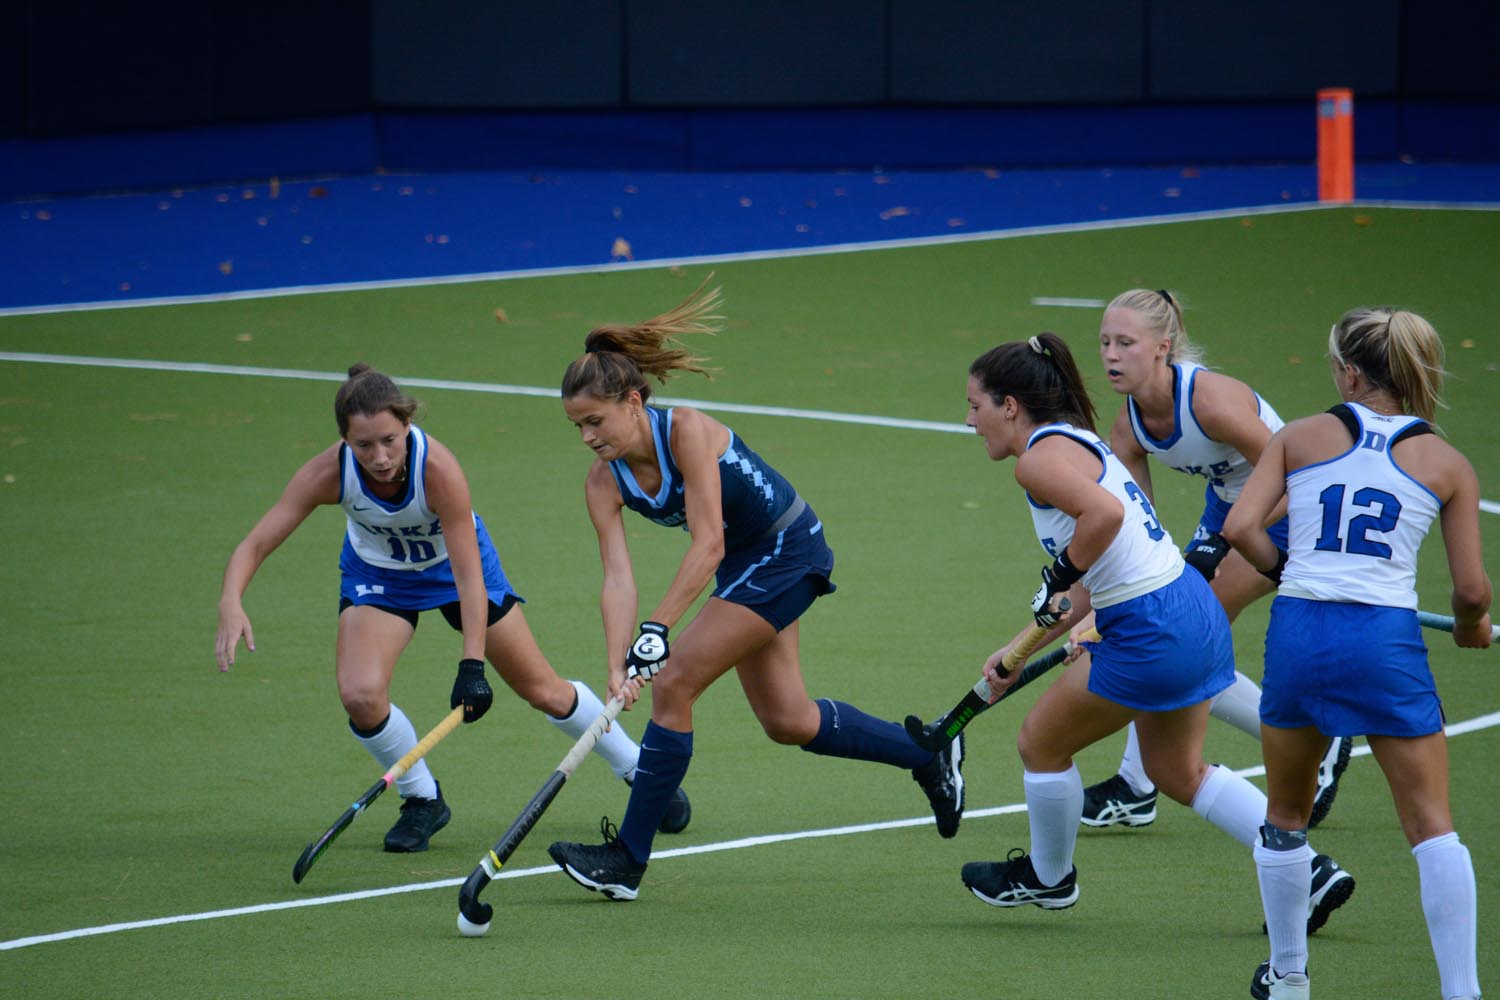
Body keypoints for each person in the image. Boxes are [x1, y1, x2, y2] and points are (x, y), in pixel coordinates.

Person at [545, 280, 964, 901]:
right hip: (747, 565)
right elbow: (617, 576)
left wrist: (657, 631)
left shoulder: (684, 430)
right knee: (787, 719)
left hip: (786, 548)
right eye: (577, 425)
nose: (587, 437)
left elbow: (708, 542)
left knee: (677, 680)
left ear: (634, 401)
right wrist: (615, 663)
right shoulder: (602, 483)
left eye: (595, 421)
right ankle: (926, 752)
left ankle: (627, 860)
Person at [957, 333, 1353, 938]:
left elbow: (1105, 522)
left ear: (1009, 405)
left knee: (1041, 743)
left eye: (975, 405)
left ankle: (1049, 877)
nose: (969, 421)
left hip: (1150, 628)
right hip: (1189, 608)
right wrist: (1018, 649)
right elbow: (1091, 579)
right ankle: (1309, 868)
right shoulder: (1081, 442)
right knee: (1177, 772)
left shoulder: (1038, 460)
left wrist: (1058, 575)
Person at [215, 363, 688, 855]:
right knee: (360, 695)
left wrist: (471, 666)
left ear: (407, 427)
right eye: (364, 445)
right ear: (344, 441)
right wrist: (232, 599)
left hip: (456, 571)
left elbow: (469, 580)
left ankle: (639, 770)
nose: (379, 457)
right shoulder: (327, 473)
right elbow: (256, 543)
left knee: (543, 691)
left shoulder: (437, 470)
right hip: (379, 577)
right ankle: (422, 799)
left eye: (389, 441)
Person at [1224, 308, 1491, 1000]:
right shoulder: (1447, 462)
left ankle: (1288, 977)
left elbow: (1241, 527)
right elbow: (1470, 590)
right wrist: (1473, 630)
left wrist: (1284, 574)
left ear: (1349, 372)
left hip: (1301, 634)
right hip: (1385, 642)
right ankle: (1460, 992)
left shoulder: (1300, 436)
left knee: (1286, 814)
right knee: (1433, 827)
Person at [1085, 288, 1352, 831]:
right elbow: (1141, 527)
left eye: (1126, 343)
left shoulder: (1209, 402)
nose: (1111, 354)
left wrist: (1236, 532)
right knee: (1170, 633)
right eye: (1105, 342)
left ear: (1163, 347)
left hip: (1290, 508)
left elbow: (1297, 475)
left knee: (1185, 636)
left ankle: (1312, 742)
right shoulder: (1127, 428)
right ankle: (1139, 784)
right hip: (1229, 511)